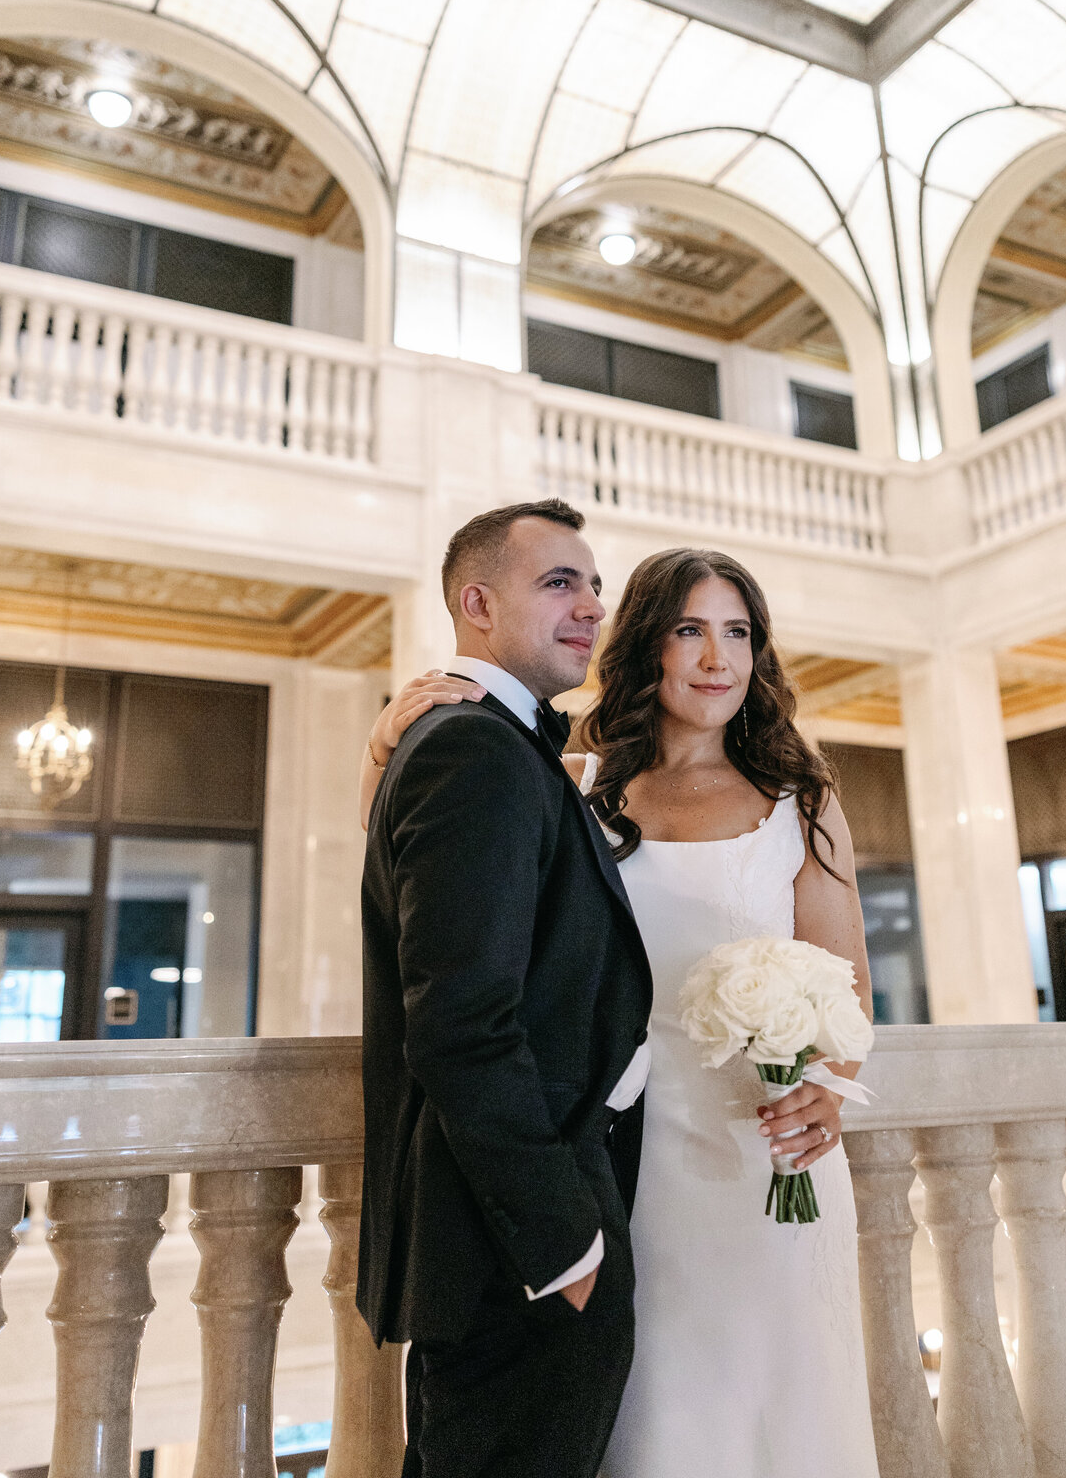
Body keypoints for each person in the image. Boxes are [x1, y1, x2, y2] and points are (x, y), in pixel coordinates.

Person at [364, 541, 880, 1478]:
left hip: (759, 1152)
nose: (719, 659)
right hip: (619, 1156)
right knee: (645, 1414)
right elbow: (431, 883)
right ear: (646, 643)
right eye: (690, 631)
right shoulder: (568, 782)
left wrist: (831, 1091)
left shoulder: (801, 799)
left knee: (774, 1403)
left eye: (739, 634)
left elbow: (845, 985)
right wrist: (382, 746)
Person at [356, 497, 653, 1478]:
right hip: (514, 1245)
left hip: (525, 1232)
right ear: (476, 602)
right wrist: (561, 1244)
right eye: (559, 582)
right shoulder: (470, 749)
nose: (591, 607)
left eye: (595, 585)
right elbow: (462, 1026)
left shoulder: (495, 743)